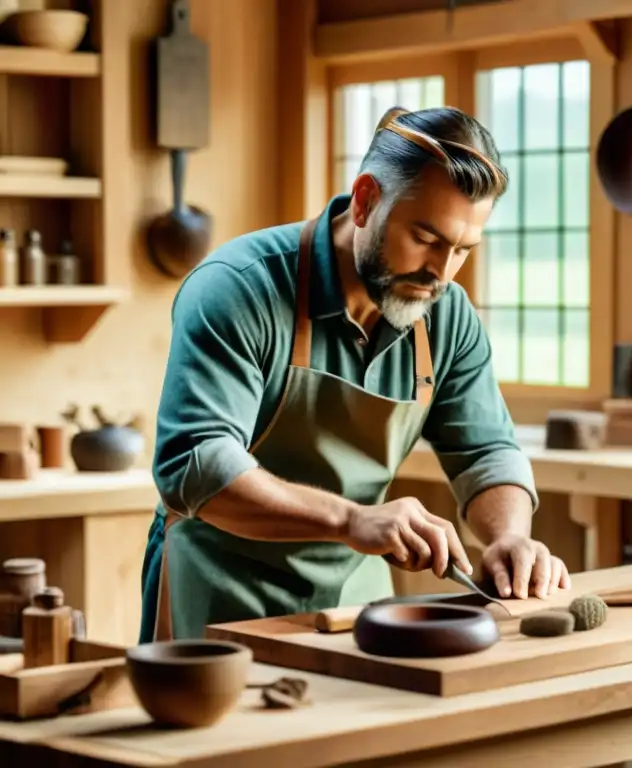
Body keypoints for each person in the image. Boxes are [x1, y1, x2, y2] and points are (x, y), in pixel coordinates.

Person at [139, 105, 571, 642]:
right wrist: (351, 521)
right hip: (215, 603)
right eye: (426, 238)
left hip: (355, 611)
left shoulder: (446, 314)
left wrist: (508, 536)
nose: (440, 272)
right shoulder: (238, 287)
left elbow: (486, 452)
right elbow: (196, 464)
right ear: (366, 200)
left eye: (461, 249)